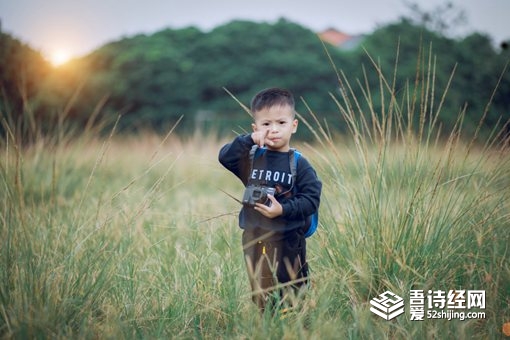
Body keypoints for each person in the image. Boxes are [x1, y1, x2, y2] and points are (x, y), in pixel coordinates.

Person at [218, 87, 322, 312]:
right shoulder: (252, 158)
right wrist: (249, 141)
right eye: (266, 124)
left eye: (281, 123)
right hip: (254, 238)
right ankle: (268, 326)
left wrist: (282, 210)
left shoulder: (299, 164)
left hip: (289, 240)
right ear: (256, 128)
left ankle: (297, 327)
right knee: (262, 295)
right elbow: (225, 157)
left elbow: (311, 200)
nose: (274, 129)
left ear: (293, 126)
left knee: (293, 293)